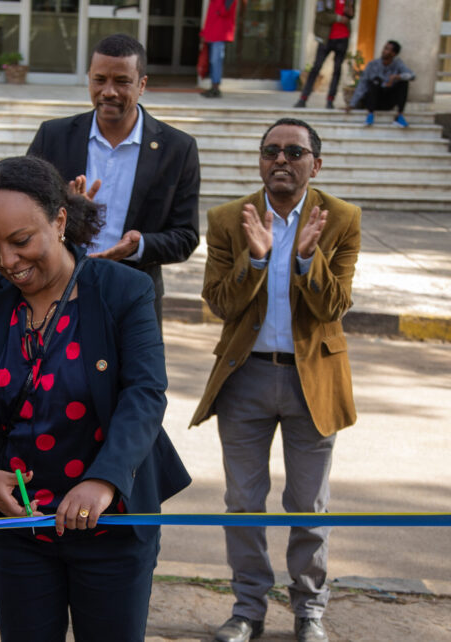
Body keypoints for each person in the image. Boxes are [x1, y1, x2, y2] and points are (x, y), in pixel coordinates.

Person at [0, 156, 191, 642]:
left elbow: (145, 394)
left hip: (111, 523)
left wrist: (104, 480)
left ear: (61, 220)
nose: (7, 261)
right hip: (18, 527)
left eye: (21, 241)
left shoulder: (123, 290)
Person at [190, 118, 361, 642]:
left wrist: (308, 257)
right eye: (270, 151)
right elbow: (220, 303)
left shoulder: (341, 219)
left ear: (316, 163)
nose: (281, 160)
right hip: (246, 380)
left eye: (294, 151)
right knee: (242, 501)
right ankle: (247, 611)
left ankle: (309, 611)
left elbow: (335, 306)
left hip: (314, 383)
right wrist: (257, 259)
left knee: (308, 504)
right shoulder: (227, 219)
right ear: (260, 160)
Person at [27, 33, 200, 326]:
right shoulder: (53, 136)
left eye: (122, 81)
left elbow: (185, 237)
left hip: (131, 300)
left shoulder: (177, 149)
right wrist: (67, 210)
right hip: (56, 295)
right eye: (99, 80)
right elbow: (23, 213)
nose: (108, 91)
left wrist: (139, 245)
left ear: (142, 84)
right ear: (89, 80)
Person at [294, 0, 356, 109]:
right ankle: (303, 98)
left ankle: (330, 100)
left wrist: (350, 12)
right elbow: (320, 15)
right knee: (316, 67)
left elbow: (351, 16)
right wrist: (338, 18)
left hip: (343, 38)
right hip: (326, 38)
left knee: (337, 70)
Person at [349, 40, 415, 127]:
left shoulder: (398, 64)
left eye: (387, 49)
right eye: (384, 48)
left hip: (387, 101)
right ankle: (370, 115)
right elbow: (362, 84)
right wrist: (352, 104)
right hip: (373, 100)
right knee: (375, 81)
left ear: (393, 54)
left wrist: (396, 77)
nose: (384, 51)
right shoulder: (373, 65)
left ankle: (399, 116)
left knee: (403, 83)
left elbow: (412, 75)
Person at [200, 0, 248, 98]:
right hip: (212, 33)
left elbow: (224, 11)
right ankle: (214, 87)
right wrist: (204, 33)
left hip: (220, 33)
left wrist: (219, 11)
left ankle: (216, 88)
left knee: (216, 60)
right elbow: (210, 16)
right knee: (213, 61)